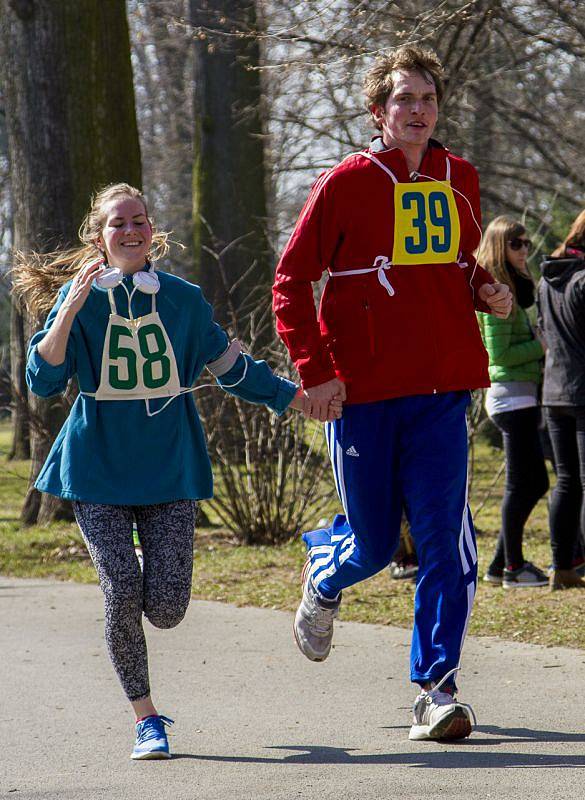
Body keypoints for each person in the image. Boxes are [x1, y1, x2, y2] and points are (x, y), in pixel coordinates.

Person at [19, 182, 341, 761]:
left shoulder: (184, 301)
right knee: (121, 594)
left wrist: (299, 399)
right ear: (100, 238)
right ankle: (147, 720)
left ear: (152, 232)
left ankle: (141, 567)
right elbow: (42, 384)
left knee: (166, 610)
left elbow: (233, 369)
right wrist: (66, 311)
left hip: (169, 468)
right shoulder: (79, 299)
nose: (131, 231)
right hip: (97, 469)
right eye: (118, 224)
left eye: (139, 220)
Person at [273, 45, 512, 742]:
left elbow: (459, 266)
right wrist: (314, 370)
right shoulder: (346, 183)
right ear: (378, 113)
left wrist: (485, 291)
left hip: (441, 389)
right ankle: (325, 572)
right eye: (403, 100)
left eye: (427, 99)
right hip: (362, 393)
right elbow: (291, 282)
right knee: (375, 545)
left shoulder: (456, 174)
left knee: (445, 541)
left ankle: (434, 688)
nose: (417, 111)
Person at [476, 217, 549, 588]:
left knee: (532, 482)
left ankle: (499, 565)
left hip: (524, 395)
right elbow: (499, 354)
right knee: (526, 484)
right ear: (499, 247)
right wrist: (541, 346)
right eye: (516, 244)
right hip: (510, 397)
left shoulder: (515, 286)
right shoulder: (494, 288)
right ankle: (512, 568)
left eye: (526, 244)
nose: (524, 251)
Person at [538, 209, 585, 591]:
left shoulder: (548, 278)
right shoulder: (583, 280)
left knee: (567, 481)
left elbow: (542, 330)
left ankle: (561, 567)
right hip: (583, 391)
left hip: (553, 392)